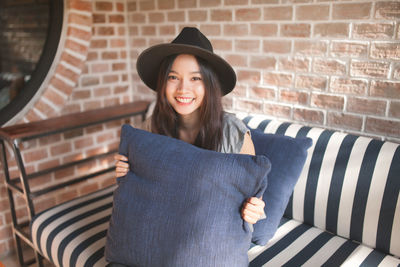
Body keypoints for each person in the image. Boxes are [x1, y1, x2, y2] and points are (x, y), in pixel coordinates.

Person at [114, 27, 265, 225]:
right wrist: (125, 173)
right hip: (161, 224)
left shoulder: (234, 134)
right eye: (173, 77)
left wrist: (255, 210)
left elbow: (254, 200)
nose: (183, 89)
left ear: (210, 84)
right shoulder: (150, 128)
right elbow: (139, 194)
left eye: (195, 78)